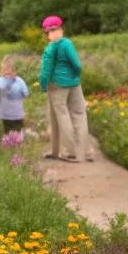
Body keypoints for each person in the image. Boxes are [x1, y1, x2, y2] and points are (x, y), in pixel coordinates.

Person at [39, 14, 92, 162]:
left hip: (56, 86)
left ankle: (70, 152)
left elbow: (45, 71)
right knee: (79, 115)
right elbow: (77, 65)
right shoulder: (67, 44)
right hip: (74, 84)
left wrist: (43, 86)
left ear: (47, 33)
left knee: (59, 117)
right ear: (61, 29)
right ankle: (83, 152)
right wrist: (74, 77)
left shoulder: (50, 48)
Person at [0, 55, 30, 141]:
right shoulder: (18, 80)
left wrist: (0, 95)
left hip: (9, 112)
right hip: (12, 112)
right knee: (14, 129)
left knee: (11, 129)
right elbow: (25, 94)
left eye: (9, 69)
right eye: (6, 69)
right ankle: (14, 142)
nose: (7, 71)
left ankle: (12, 142)